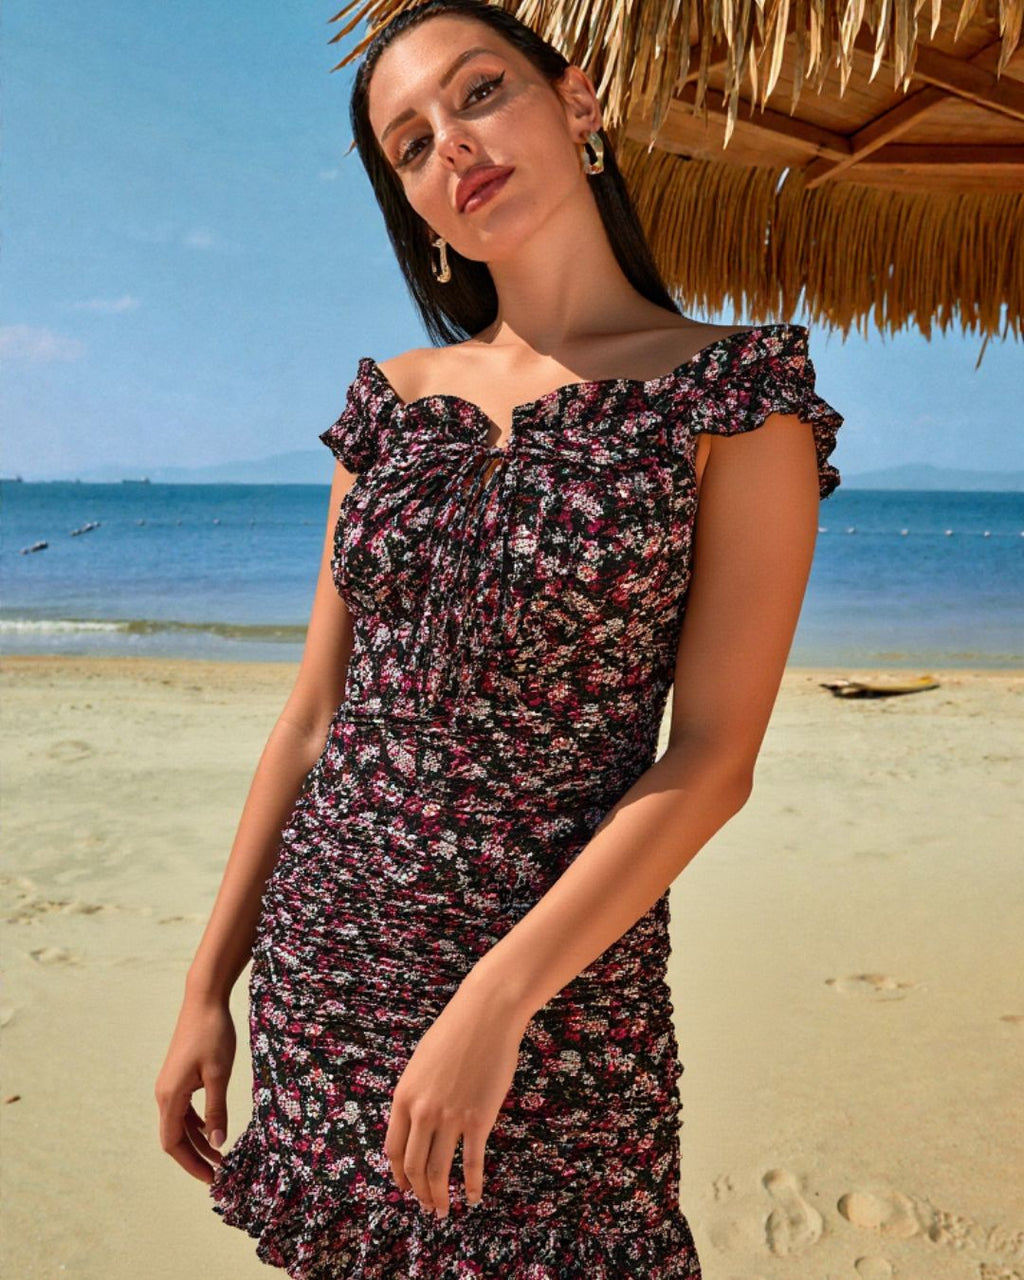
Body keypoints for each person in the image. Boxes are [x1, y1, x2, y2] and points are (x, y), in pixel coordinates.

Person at [154, 0, 844, 1275]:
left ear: (577, 103)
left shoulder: (734, 400)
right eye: (410, 144)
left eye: (478, 94)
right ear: (414, 206)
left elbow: (710, 758)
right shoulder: (392, 404)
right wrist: (209, 983)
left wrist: (497, 997)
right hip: (328, 969)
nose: (453, 145)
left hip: (556, 1001)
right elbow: (314, 719)